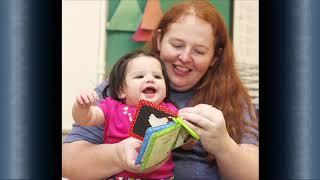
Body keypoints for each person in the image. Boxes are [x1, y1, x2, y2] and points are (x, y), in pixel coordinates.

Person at [62, 0, 259, 179]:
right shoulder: (124, 85)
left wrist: (224, 146)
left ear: (215, 57)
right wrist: (117, 155)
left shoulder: (233, 98)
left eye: (199, 51)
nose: (185, 57)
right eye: (176, 44)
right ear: (159, 40)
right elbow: (69, 163)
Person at [71, 51, 178, 179]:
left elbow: (184, 139)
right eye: (139, 76)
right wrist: (82, 107)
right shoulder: (112, 106)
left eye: (157, 76)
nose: (150, 79)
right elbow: (87, 119)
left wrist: (191, 128)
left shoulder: (170, 110)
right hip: (120, 176)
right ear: (122, 90)